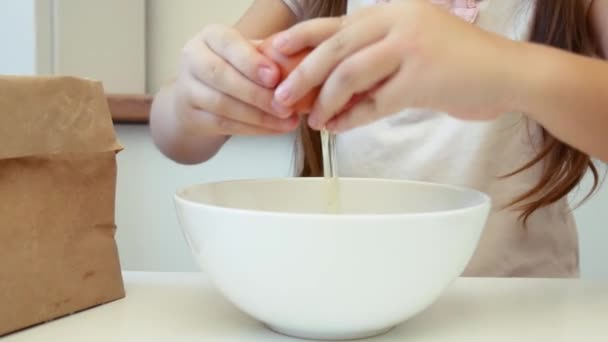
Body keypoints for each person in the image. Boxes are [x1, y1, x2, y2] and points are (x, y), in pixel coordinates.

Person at [149, 0, 608, 278]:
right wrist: (191, 100)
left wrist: (511, 72)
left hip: (523, 315)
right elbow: (176, 138)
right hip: (347, 309)